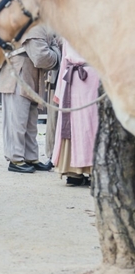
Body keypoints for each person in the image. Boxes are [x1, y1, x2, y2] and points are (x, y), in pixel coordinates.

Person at [0, 24, 60, 173]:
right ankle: (16, 159)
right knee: (16, 121)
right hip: (16, 76)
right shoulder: (34, 26)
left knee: (31, 121)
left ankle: (30, 157)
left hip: (30, 76)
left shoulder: (42, 24)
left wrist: (53, 49)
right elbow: (41, 57)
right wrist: (56, 53)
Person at [52, 41, 99, 186]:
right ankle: (92, 171)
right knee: (91, 124)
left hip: (74, 78)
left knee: (77, 124)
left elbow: (64, 63)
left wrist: (59, 91)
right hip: (91, 78)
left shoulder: (68, 29)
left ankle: (73, 172)